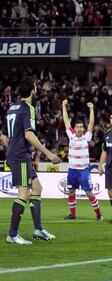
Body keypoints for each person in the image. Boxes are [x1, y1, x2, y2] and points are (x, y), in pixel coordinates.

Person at [1, 78, 60, 244]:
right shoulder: (28, 108)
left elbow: (3, 136)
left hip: (16, 153)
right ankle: (12, 234)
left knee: (37, 188)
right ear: (32, 91)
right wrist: (48, 153)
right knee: (24, 192)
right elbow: (29, 134)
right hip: (20, 155)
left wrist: (11, 148)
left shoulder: (11, 108)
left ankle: (38, 229)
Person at [62, 99, 103, 221]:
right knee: (71, 192)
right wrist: (63, 106)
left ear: (83, 128)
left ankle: (98, 214)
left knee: (89, 193)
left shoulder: (87, 136)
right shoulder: (71, 135)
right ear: (74, 128)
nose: (79, 129)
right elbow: (65, 120)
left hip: (84, 170)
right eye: (77, 127)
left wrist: (91, 110)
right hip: (72, 170)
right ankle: (73, 214)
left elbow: (91, 122)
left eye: (81, 127)